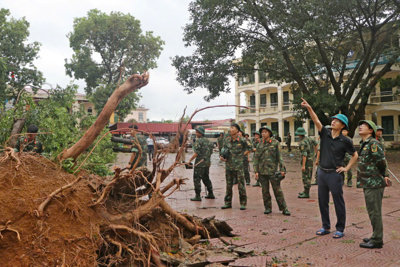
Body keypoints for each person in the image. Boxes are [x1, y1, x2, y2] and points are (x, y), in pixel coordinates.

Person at [301, 98, 358, 239]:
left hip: (335, 174)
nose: (333, 121)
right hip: (322, 173)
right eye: (333, 119)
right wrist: (309, 108)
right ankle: (325, 226)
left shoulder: (345, 141)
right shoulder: (325, 133)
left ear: (342, 125)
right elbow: (316, 120)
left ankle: (340, 228)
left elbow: (355, 155)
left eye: (337, 121)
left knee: (338, 201)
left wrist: (346, 168)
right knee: (322, 201)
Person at [357, 120, 391, 249]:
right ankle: (376, 235)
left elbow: (381, 161)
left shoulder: (373, 144)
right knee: (372, 211)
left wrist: (384, 175)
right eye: (360, 125)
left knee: (375, 212)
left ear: (371, 130)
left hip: (374, 183)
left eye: (364, 126)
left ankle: (377, 240)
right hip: (368, 182)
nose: (360, 127)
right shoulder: (365, 143)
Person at [254, 126, 290, 215]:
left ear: (269, 133)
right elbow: (256, 159)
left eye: (265, 132)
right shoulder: (259, 145)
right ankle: (267, 208)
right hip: (262, 172)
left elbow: (279, 157)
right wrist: (256, 171)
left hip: (273, 171)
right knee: (265, 191)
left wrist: (282, 169)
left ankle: (284, 208)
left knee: (278, 191)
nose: (263, 134)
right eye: (262, 132)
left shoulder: (275, 143)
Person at [220, 124, 251, 210]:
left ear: (237, 130)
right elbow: (223, 150)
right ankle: (227, 203)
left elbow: (251, 147)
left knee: (241, 185)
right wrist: (222, 157)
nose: (230, 129)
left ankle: (243, 203)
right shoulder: (227, 140)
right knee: (229, 185)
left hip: (239, 166)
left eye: (232, 128)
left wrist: (242, 155)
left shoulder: (242, 140)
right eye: (230, 128)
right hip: (229, 166)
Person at [188, 126, 214, 201]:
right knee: (206, 178)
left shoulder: (199, 141)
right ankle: (211, 193)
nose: (196, 133)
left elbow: (196, 153)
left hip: (199, 164)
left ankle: (197, 196)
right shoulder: (209, 141)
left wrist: (189, 160)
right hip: (207, 163)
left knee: (197, 179)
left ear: (201, 133)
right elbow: (211, 152)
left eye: (197, 132)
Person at [295, 127, 313, 198]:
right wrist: (313, 153)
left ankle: (306, 193)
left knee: (306, 177)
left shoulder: (303, 143)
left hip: (307, 162)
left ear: (299, 134)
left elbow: (304, 155)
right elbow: (316, 143)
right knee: (308, 176)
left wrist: (303, 165)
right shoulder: (308, 138)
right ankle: (305, 191)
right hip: (310, 160)